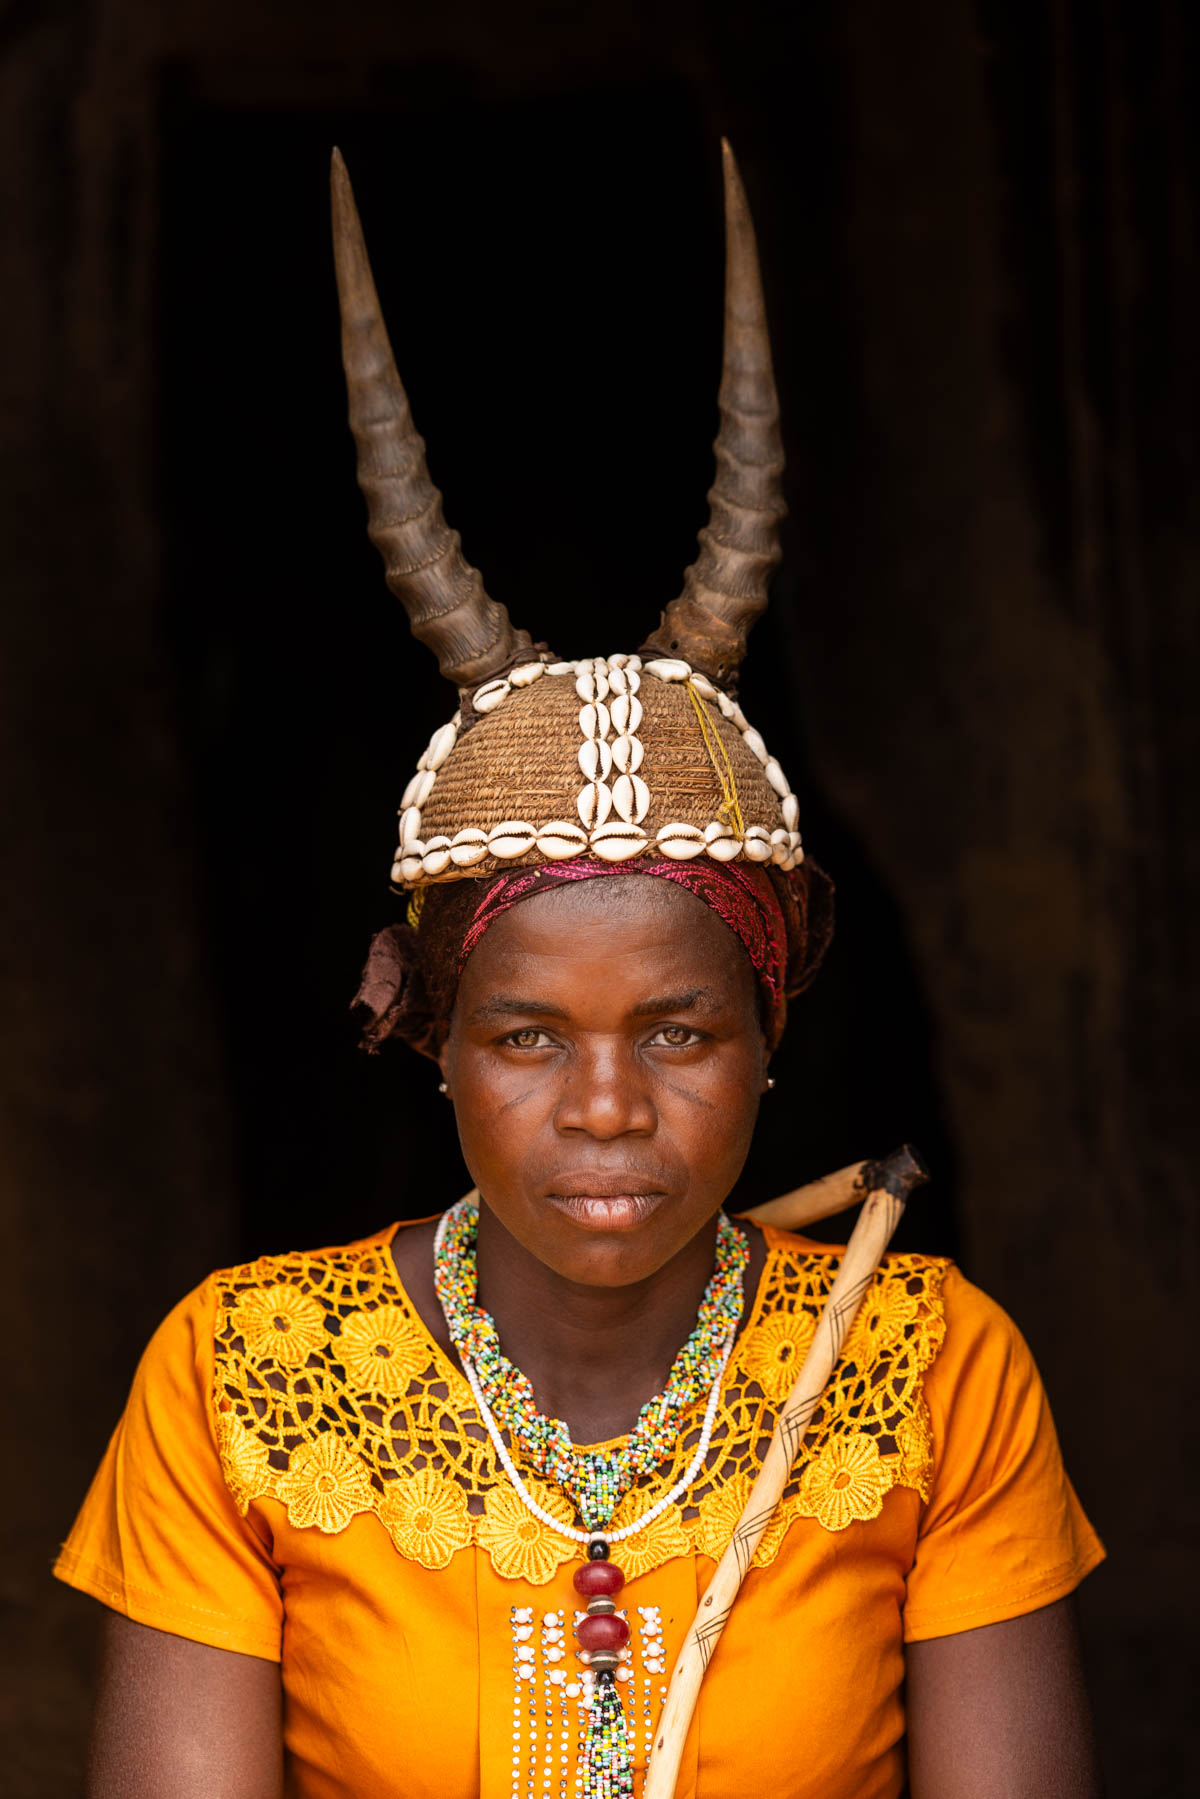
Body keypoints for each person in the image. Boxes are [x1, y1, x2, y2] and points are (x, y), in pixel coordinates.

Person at [55, 141, 1104, 1799]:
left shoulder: (928, 1370)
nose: (608, 1110)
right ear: (424, 1036)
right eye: (528, 1035)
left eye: (679, 1030)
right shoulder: (240, 1374)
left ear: (773, 1034)